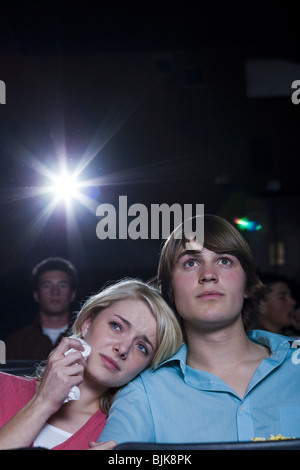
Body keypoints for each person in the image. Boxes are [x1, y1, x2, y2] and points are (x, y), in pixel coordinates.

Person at [96, 214, 300, 446]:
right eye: (191, 263)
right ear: (171, 290)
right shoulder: (143, 393)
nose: (208, 275)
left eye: (224, 261)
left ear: (247, 285)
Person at [0, 278, 183, 449]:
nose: (123, 348)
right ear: (88, 323)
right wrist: (43, 402)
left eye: (142, 347)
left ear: (145, 367)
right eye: (116, 326)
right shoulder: (3, 386)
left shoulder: (114, 436)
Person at [6, 257, 77, 360]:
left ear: (72, 294)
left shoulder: (86, 339)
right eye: (47, 286)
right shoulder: (15, 343)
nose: (55, 292)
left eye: (62, 285)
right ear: (36, 295)